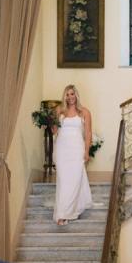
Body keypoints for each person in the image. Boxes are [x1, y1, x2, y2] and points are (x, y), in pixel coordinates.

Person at [52, 83, 93, 225]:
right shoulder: (59, 111)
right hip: (62, 149)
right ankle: (62, 213)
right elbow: (55, 131)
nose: (70, 97)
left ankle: (66, 213)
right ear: (64, 97)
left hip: (77, 150)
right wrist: (49, 122)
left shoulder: (85, 112)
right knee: (64, 181)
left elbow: (88, 133)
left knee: (75, 181)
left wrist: (87, 151)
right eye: (67, 94)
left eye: (72, 94)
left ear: (76, 95)